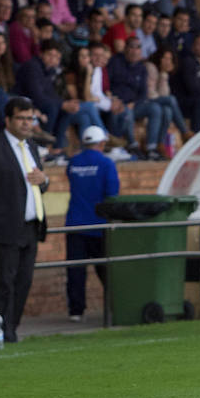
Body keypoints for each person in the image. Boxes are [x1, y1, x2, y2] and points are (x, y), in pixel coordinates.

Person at [0, 97, 48, 343]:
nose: (26, 123)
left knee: (24, 281)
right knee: (4, 282)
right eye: (21, 118)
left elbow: (38, 185)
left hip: (31, 227)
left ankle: (13, 326)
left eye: (29, 118)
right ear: (8, 120)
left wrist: (44, 180)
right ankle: (1, 331)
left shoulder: (31, 146)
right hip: (4, 227)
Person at [64, 126, 120, 322]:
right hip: (99, 225)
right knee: (107, 269)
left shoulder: (73, 162)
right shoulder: (106, 164)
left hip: (75, 224)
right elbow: (112, 195)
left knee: (76, 270)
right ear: (102, 143)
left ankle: (76, 311)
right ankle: (115, 307)